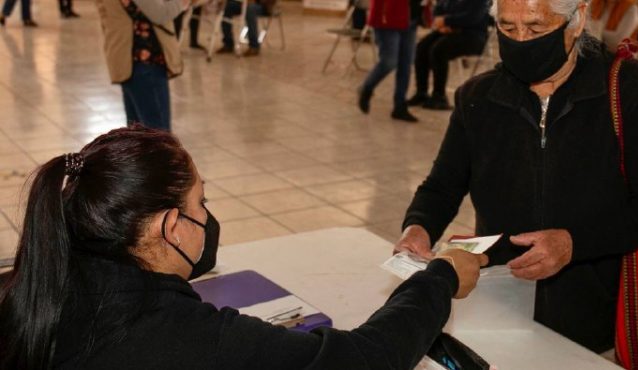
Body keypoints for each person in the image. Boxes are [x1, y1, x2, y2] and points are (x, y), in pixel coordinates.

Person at [0, 126, 488, 369]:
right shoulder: (179, 333)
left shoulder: (39, 281)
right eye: (201, 202)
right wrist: (440, 278)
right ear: (170, 226)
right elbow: (361, 359)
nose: (208, 217)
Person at [395, 0, 638, 354]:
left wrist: (573, 243)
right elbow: (442, 186)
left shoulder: (628, 90)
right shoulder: (479, 97)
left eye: (536, 28)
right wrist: (418, 227)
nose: (521, 41)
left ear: (577, 21)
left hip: (594, 318)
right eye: (508, 29)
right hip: (499, 307)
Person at [95, 0, 186, 131]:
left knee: (138, 136)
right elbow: (160, 14)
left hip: (128, 60)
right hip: (145, 63)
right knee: (158, 136)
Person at [406, 0, 490, 110]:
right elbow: (439, 7)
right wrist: (441, 23)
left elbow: (473, 17)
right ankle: (421, 93)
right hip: (448, 30)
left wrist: (447, 21)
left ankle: (439, 97)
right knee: (422, 46)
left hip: (473, 36)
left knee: (438, 50)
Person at [357, 0, 422, 122]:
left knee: (406, 64)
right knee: (389, 61)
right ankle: (366, 88)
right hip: (387, 15)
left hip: (411, 16)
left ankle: (400, 106)